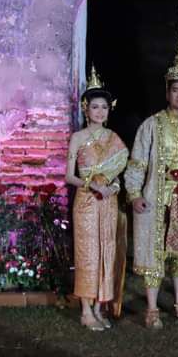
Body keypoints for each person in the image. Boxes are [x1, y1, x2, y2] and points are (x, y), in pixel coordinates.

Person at [125, 11, 178, 329]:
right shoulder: (152, 124)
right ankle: (151, 309)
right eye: (175, 89)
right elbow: (137, 162)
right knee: (154, 251)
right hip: (157, 196)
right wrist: (134, 193)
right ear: (167, 92)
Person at [65, 66, 128, 331]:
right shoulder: (78, 138)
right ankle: (85, 310)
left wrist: (114, 186)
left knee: (106, 250)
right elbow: (69, 176)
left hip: (108, 202)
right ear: (85, 109)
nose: (100, 112)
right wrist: (92, 185)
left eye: (104, 107)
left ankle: (101, 306)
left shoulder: (114, 139)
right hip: (87, 202)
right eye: (95, 107)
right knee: (88, 253)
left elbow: (118, 174)